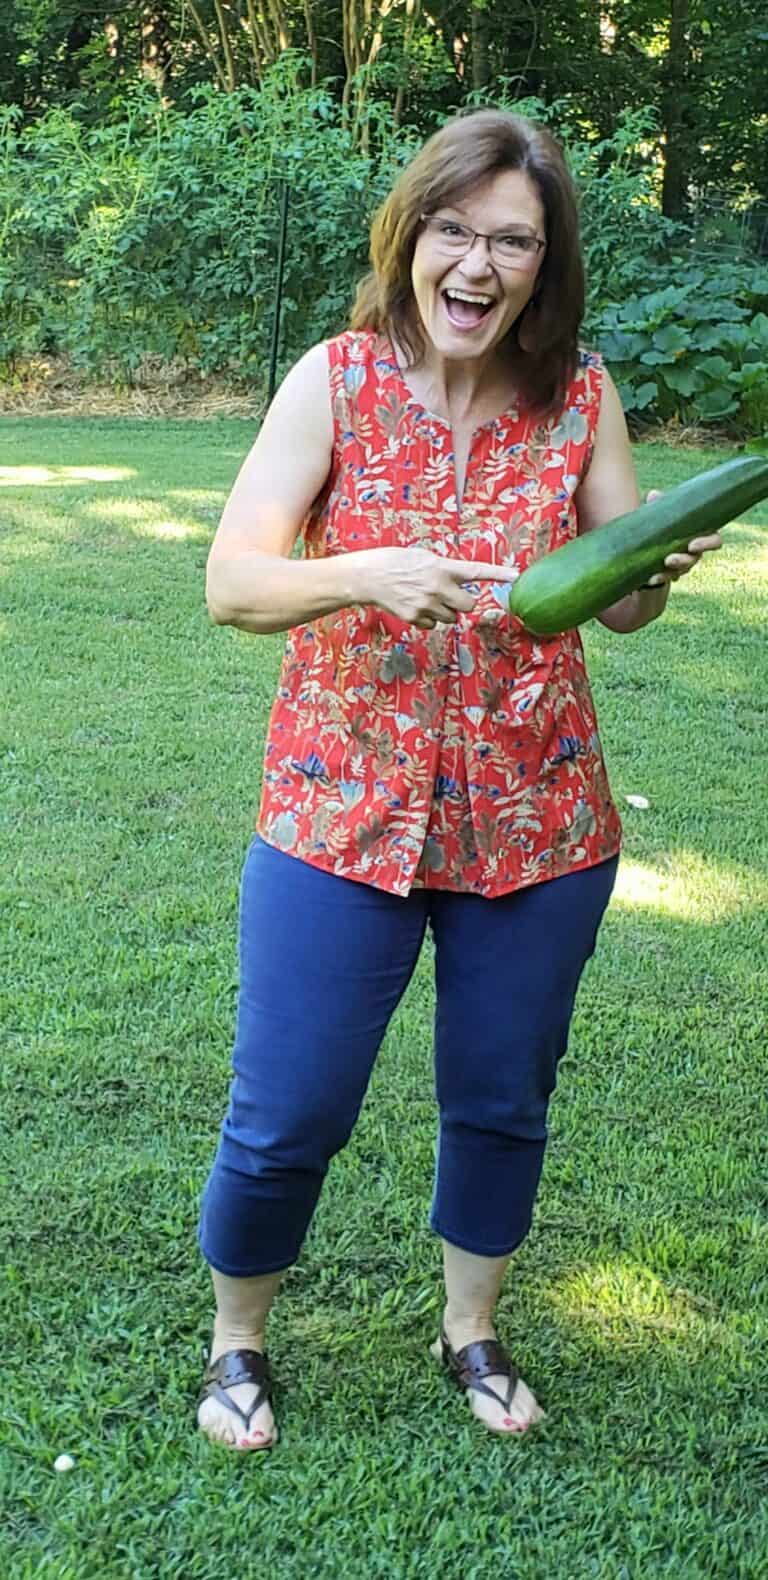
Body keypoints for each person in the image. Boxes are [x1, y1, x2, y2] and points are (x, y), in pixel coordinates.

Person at [196, 108, 722, 1451]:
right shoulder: (336, 379)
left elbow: (617, 608)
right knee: (288, 1107)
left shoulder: (583, 398)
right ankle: (238, 1339)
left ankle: (471, 1327)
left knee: (501, 1098)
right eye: (455, 230)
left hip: (540, 827)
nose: (479, 263)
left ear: (546, 265)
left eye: (514, 240)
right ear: (410, 237)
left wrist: (647, 582)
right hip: (340, 814)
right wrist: (361, 570)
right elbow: (234, 581)